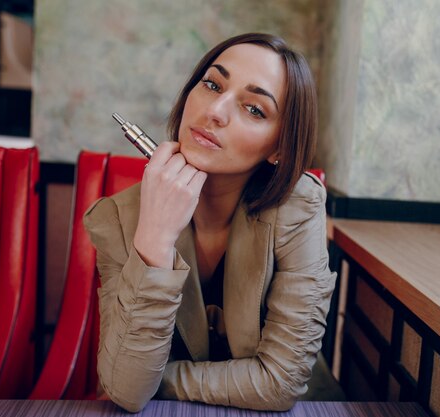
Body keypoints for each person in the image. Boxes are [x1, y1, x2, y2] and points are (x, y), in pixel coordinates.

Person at [83, 33, 337, 412]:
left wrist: (159, 381)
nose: (215, 110)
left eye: (254, 109)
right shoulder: (118, 218)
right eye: (212, 84)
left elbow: (281, 383)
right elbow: (126, 389)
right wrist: (155, 237)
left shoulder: (299, 206)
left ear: (280, 148)